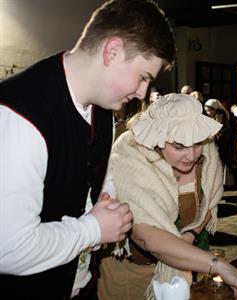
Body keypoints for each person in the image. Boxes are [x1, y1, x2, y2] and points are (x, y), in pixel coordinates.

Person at [0, 0, 175, 298]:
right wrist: (93, 229)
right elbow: (9, 248)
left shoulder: (104, 108)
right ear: (113, 51)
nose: (143, 93)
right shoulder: (19, 114)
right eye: (143, 76)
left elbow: (94, 174)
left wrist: (106, 197)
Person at [97, 94, 237, 300]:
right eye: (179, 147)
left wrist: (189, 237)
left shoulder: (207, 153)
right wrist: (220, 267)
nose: (191, 155)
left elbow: (208, 206)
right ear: (156, 139)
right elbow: (146, 235)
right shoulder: (131, 160)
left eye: (197, 143)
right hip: (131, 273)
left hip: (186, 266)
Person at [204, 98, 234, 186]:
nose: (207, 113)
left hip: (222, 146)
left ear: (214, 109)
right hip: (219, 145)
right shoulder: (217, 116)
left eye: (208, 111)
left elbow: (220, 132)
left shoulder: (220, 117)